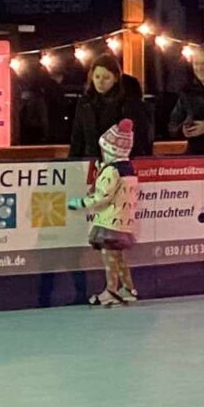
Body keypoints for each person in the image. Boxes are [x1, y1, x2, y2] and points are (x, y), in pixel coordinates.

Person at [68, 118, 141, 307]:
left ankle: (111, 290)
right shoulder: (129, 170)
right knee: (120, 256)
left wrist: (81, 203)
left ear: (109, 151)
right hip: (124, 221)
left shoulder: (111, 172)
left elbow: (102, 197)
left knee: (109, 256)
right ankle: (128, 288)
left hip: (110, 221)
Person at [69, 54, 155, 160]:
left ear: (115, 78)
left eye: (106, 78)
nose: (100, 82)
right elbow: (77, 138)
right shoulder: (85, 103)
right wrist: (72, 163)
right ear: (91, 77)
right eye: (97, 77)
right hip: (90, 163)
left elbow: (138, 139)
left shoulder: (127, 104)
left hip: (117, 163)